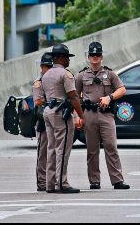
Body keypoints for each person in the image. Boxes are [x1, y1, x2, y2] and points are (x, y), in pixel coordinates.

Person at [75, 42, 130, 191]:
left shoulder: (110, 73)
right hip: (89, 114)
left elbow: (122, 89)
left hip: (106, 114)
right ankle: (94, 181)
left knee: (111, 146)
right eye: (92, 55)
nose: (95, 58)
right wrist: (77, 116)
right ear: (88, 57)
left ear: (101, 57)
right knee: (92, 150)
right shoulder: (81, 75)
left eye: (97, 55)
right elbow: (74, 97)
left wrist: (110, 97)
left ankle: (117, 180)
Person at [41, 44, 85, 194]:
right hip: (61, 112)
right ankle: (62, 183)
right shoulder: (65, 74)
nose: (68, 60)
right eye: (67, 57)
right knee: (63, 149)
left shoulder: (46, 74)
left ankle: (50, 184)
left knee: (51, 148)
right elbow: (73, 96)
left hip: (48, 110)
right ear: (60, 57)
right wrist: (81, 115)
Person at [33, 53, 53, 192]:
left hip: (55, 119)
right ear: (41, 67)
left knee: (55, 151)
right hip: (42, 120)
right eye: (46, 67)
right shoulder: (38, 82)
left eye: (50, 66)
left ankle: (52, 180)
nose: (48, 69)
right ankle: (41, 182)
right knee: (43, 152)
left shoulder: (55, 81)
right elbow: (38, 101)